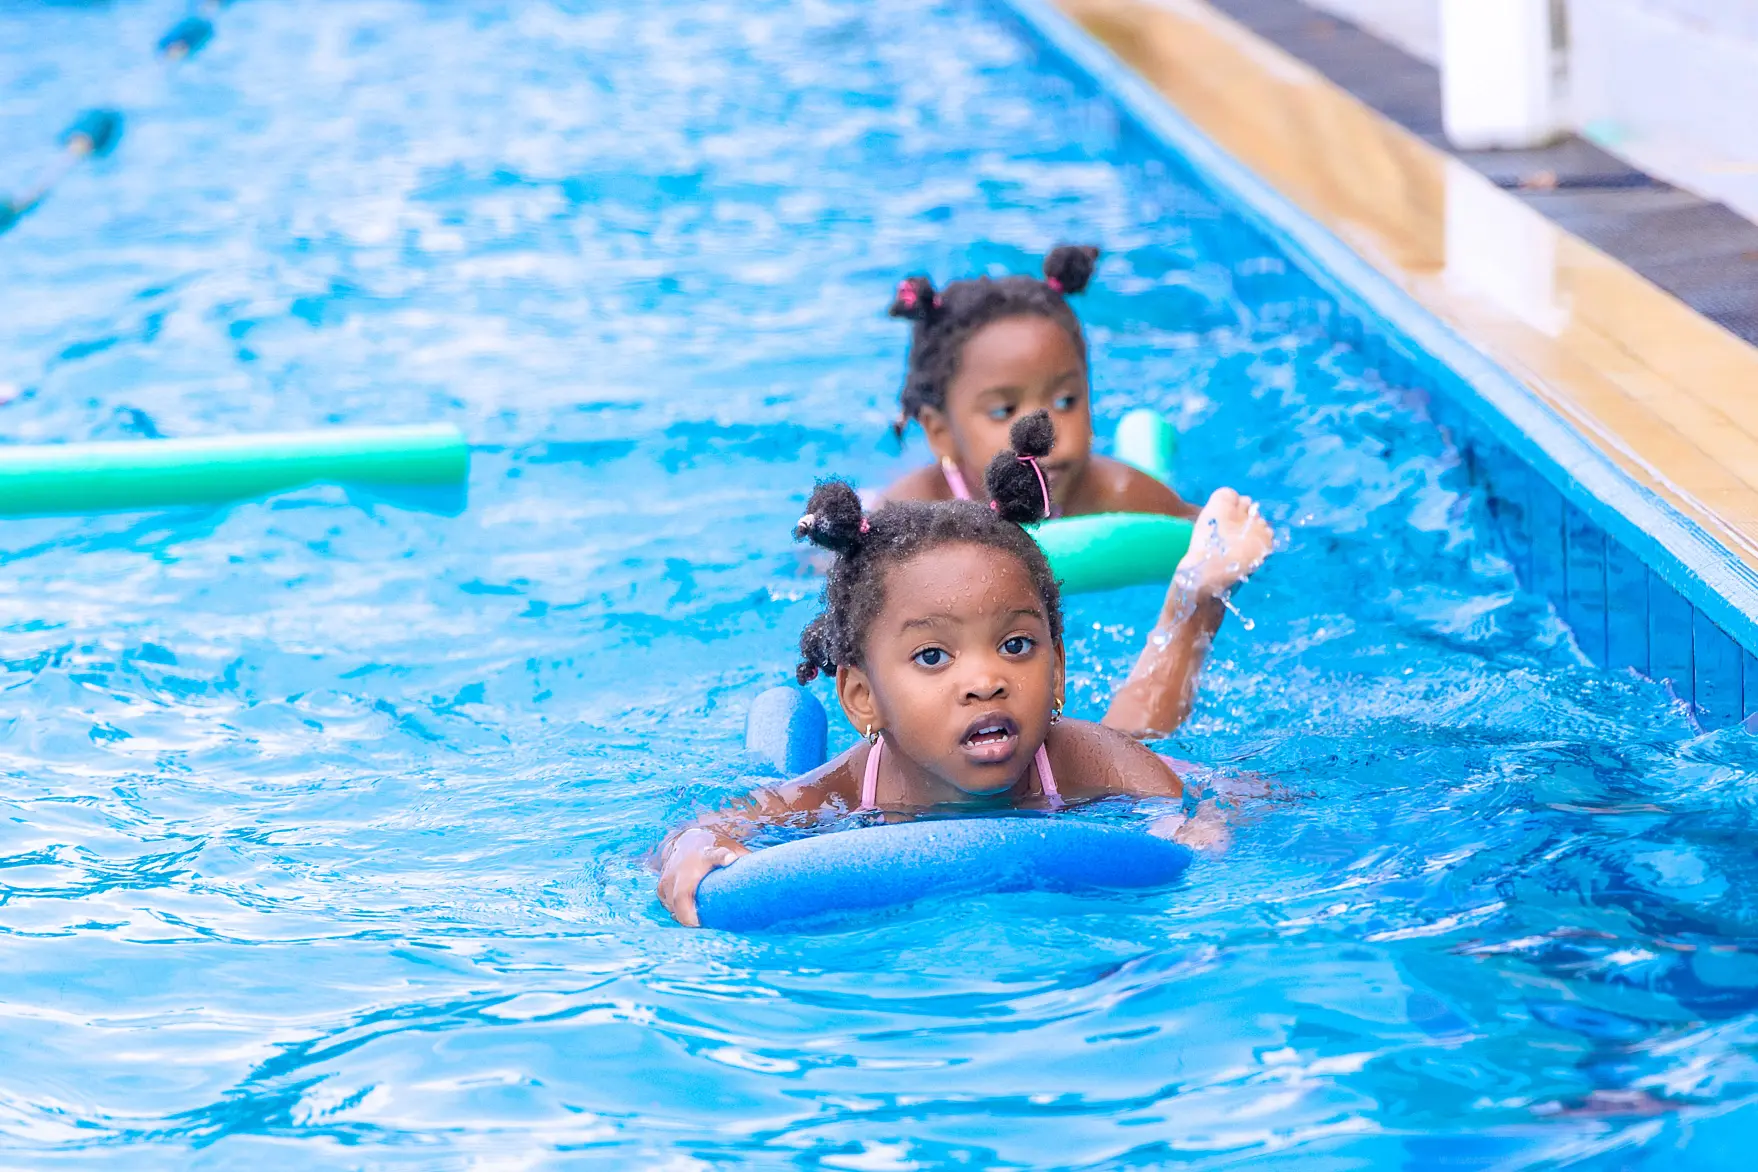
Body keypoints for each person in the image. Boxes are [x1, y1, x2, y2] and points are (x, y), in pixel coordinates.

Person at [659, 414, 1274, 926]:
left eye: (1015, 646)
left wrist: (1205, 827)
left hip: (1105, 773)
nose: (985, 679)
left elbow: (1193, 810)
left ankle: (1197, 601)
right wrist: (694, 846)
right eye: (933, 657)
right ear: (862, 697)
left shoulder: (1085, 759)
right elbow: (714, 823)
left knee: (1142, 732)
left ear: (1057, 672)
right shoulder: (844, 792)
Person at [876, 245, 1200, 520]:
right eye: (1004, 410)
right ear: (940, 433)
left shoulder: (1114, 493)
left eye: (1066, 402)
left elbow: (1210, 533)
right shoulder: (914, 512)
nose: (1043, 434)